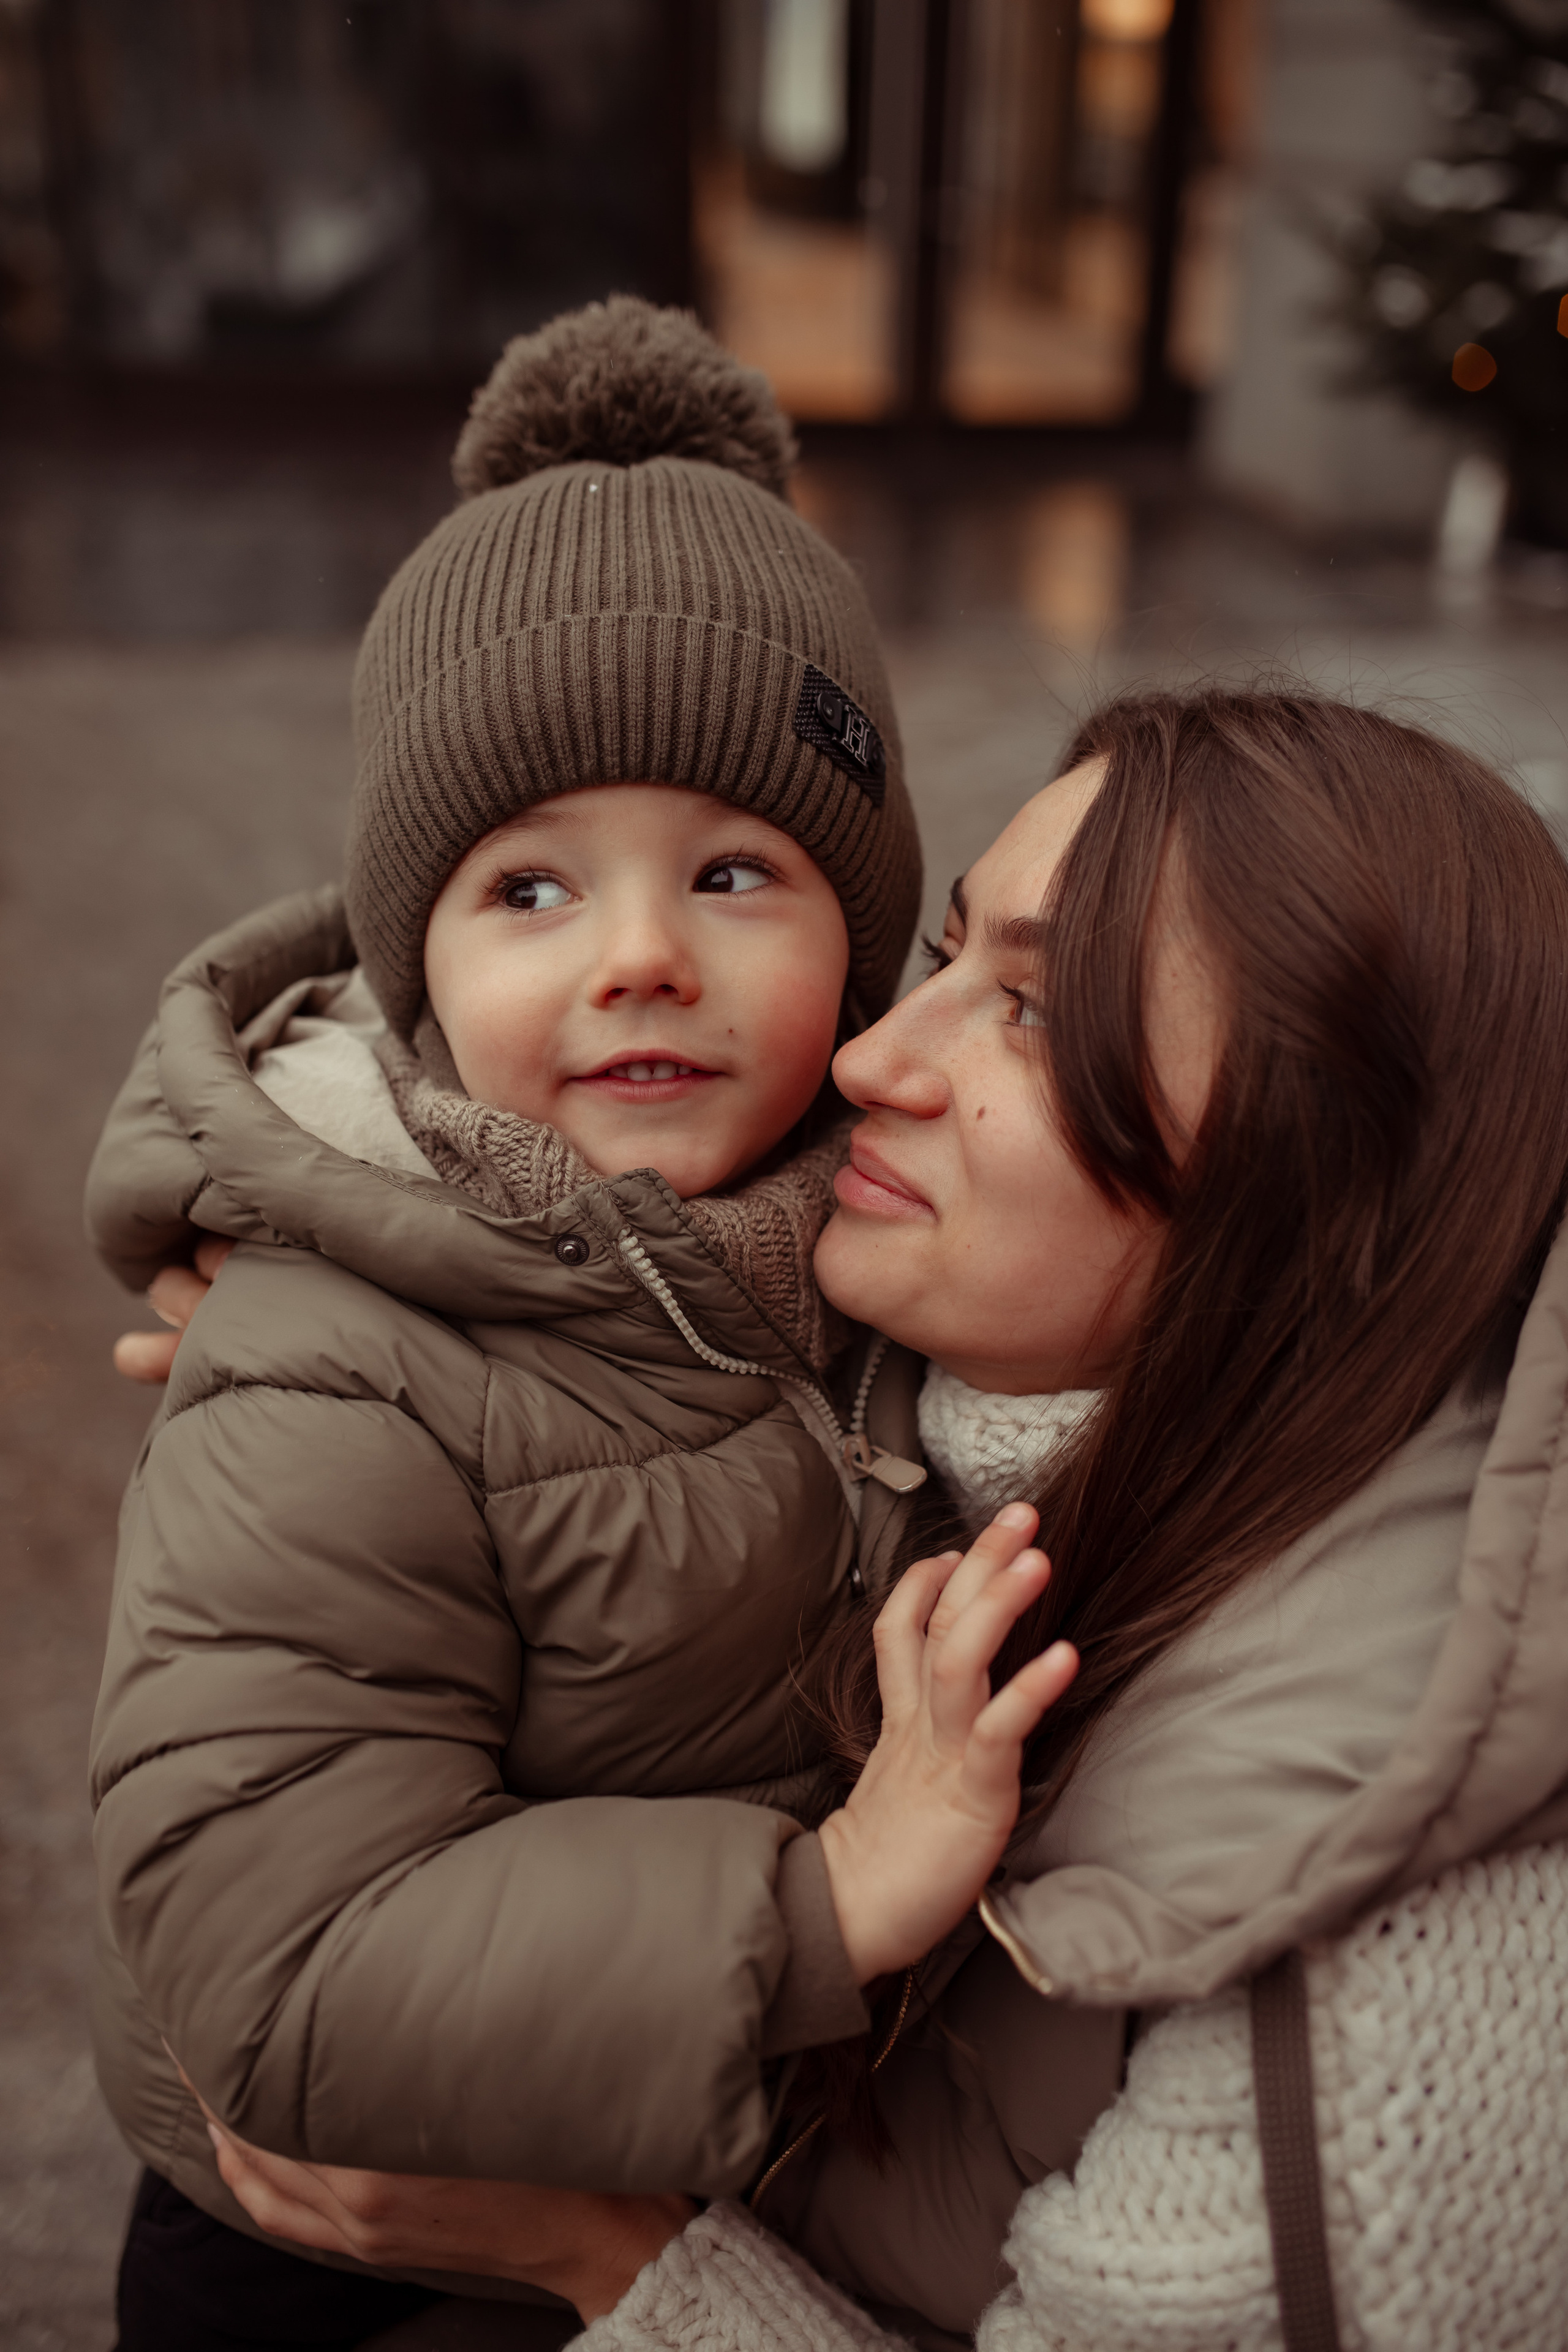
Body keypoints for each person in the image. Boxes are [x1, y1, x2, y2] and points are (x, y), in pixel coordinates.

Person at [162, 691, 1568, 2349]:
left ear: (1320, 1184)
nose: (871, 1058)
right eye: (949, 954)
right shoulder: (970, 1382)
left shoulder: (1379, 2034)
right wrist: (367, 1326)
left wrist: (608, 2261)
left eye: (1033, 1011)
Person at [85, 296, 929, 2351]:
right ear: (420, 969)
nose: (641, 956)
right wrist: (827, 1909)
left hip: (703, 2176)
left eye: (735, 873)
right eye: (531, 891)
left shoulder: (887, 1241)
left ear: (865, 939)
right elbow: (285, 1961)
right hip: (354, 2249)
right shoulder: (332, 1363)